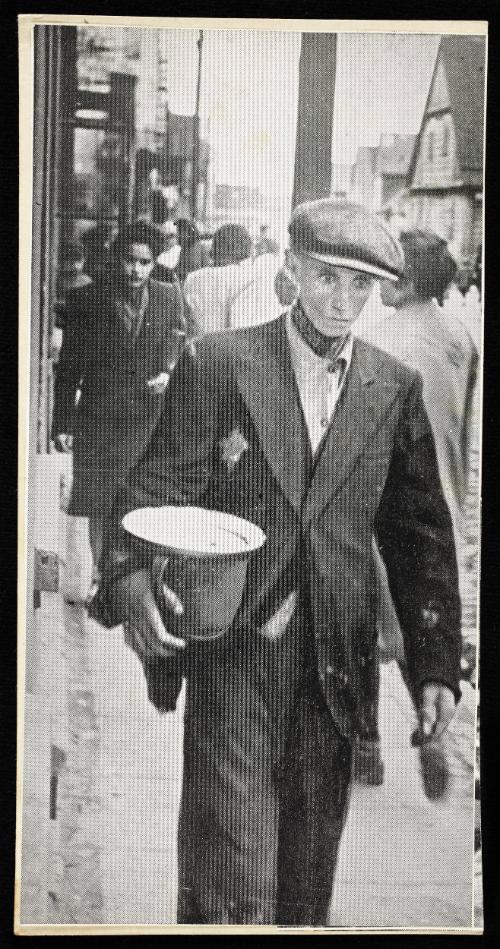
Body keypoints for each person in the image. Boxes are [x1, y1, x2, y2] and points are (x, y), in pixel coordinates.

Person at [97, 200, 461, 925]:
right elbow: (156, 484)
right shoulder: (221, 363)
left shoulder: (392, 388)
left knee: (303, 881)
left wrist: (434, 665)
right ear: (291, 270)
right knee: (234, 868)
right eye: (327, 277)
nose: (342, 299)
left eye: (360, 286)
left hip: (334, 669)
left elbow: (420, 538)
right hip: (234, 655)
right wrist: (129, 574)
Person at [354, 228, 478, 787]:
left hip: (391, 498)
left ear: (403, 282)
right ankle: (433, 710)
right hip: (446, 492)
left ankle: (366, 743)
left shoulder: (381, 340)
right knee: (425, 609)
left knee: (368, 613)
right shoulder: (460, 336)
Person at [51, 221, 191, 579]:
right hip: (98, 419)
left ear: (154, 263)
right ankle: (102, 574)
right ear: (117, 259)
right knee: (98, 502)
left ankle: (126, 575)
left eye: (144, 263)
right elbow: (68, 369)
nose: (136, 270)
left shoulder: (166, 296)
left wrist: (169, 373)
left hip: (147, 419)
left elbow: (179, 345)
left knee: (136, 500)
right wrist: (63, 423)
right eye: (130, 260)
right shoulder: (87, 300)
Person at [183, 222, 282, 333]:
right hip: (234, 346)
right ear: (248, 250)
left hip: (197, 346)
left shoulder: (192, 278)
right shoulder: (250, 278)